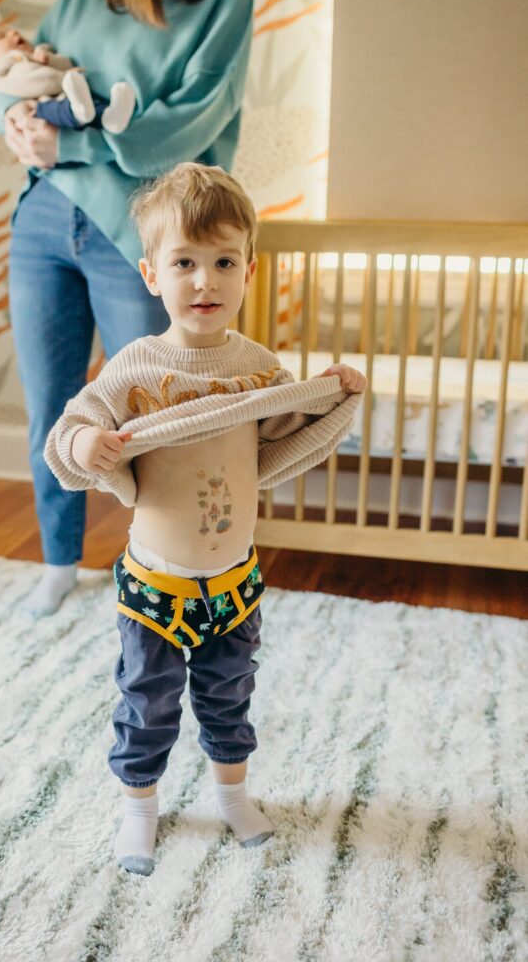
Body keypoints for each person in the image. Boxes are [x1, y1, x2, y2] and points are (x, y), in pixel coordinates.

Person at [44, 162, 367, 876]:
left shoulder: (256, 368)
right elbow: (75, 422)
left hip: (231, 582)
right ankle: (138, 810)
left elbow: (285, 425)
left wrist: (333, 392)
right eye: (184, 262)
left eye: (223, 262)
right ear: (151, 274)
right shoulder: (136, 366)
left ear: (248, 270)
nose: (204, 281)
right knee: (147, 704)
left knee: (229, 698)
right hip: (157, 587)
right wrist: (85, 443)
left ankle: (231, 793)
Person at [0, 0, 255, 618]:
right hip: (42, 218)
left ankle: (171, 563)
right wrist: (11, 118)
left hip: (139, 229)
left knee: (156, 410)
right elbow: (7, 78)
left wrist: (72, 143)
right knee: (51, 403)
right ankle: (58, 562)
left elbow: (196, 118)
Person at [0, 24, 136, 135]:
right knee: (53, 108)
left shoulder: (41, 51)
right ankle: (78, 113)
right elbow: (24, 85)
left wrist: (47, 60)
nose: (13, 33)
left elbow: (66, 64)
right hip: (43, 110)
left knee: (87, 100)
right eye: (1, 36)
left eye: (11, 30)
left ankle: (110, 117)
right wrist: (20, 56)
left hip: (68, 94)